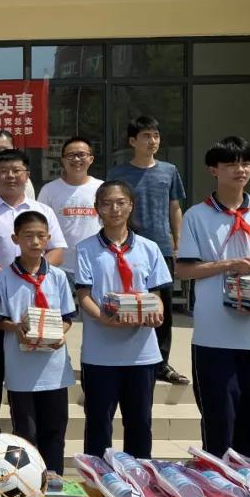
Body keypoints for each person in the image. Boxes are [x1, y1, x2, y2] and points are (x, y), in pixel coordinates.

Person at [176, 136, 250, 463]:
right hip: (214, 337)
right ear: (213, 170)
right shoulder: (197, 216)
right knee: (219, 425)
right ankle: (219, 488)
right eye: (230, 164)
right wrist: (228, 265)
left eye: (245, 163)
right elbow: (184, 269)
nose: (240, 170)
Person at [0, 148, 66, 438]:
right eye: (3, 171)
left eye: (16, 171)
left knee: (35, 363)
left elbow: (57, 250)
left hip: (38, 301)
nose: (10, 176)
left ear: (27, 175)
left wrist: (33, 276)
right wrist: (9, 275)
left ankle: (34, 430)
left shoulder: (43, 211)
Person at [76, 181, 170, 459]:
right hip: (100, 354)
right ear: (97, 208)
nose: (114, 209)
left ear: (131, 206)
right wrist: (102, 318)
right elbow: (83, 295)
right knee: (98, 424)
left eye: (120, 202)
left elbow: (156, 294)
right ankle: (98, 477)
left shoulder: (149, 248)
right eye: (107, 203)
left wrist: (157, 312)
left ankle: (139, 478)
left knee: (139, 423)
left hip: (141, 354)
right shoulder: (86, 249)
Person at [107, 116, 189, 386]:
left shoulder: (169, 171)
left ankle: (161, 363)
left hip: (161, 248)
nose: (152, 141)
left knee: (162, 307)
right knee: (128, 303)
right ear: (133, 141)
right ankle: (128, 358)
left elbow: (175, 208)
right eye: (146, 136)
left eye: (156, 135)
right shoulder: (118, 174)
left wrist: (178, 243)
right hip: (126, 248)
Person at [0, 211, 76, 474]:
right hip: (21, 367)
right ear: (15, 238)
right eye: (28, 236)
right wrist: (16, 328)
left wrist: (60, 333)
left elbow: (67, 317)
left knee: (55, 429)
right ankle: (27, 481)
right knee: (25, 432)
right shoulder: (5, 277)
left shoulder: (57, 276)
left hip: (53, 366)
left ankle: (54, 479)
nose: (35, 242)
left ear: (49, 238)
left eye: (41, 236)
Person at [38, 136, 103, 289]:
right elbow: (39, 227)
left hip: (95, 264)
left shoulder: (102, 188)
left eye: (82, 154)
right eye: (71, 155)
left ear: (91, 159)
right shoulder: (49, 190)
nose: (76, 159)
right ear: (63, 160)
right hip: (60, 268)